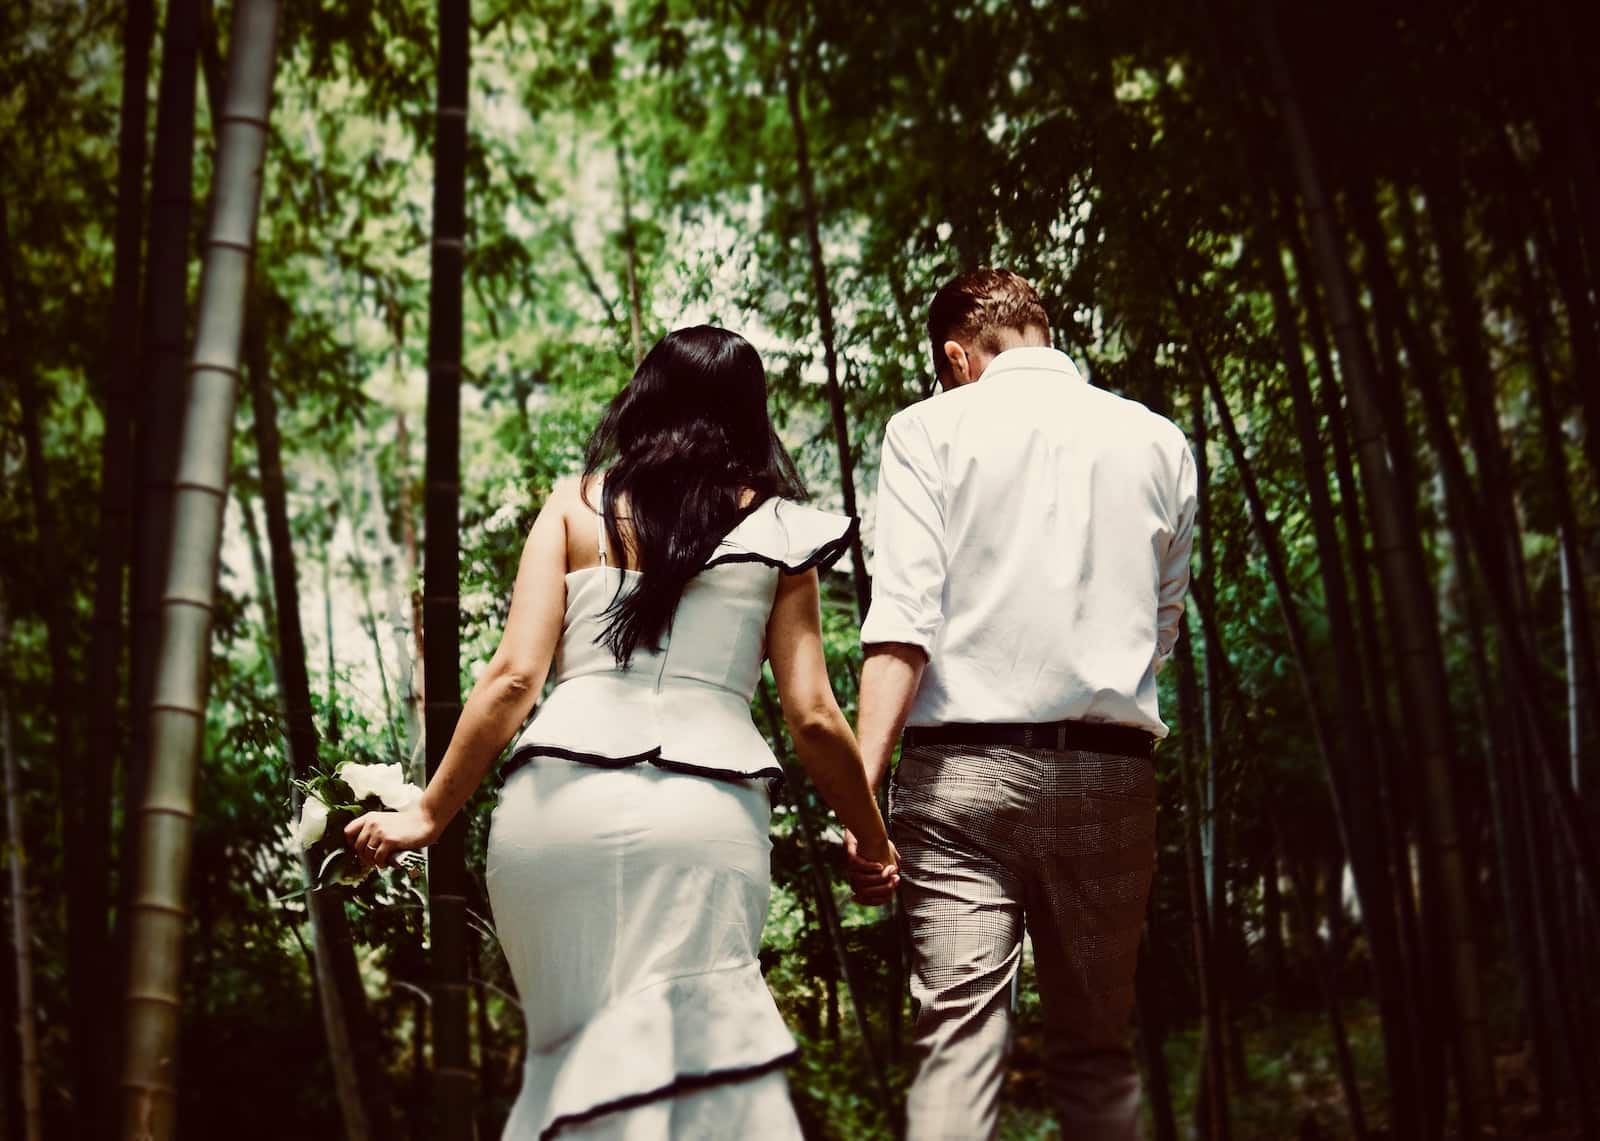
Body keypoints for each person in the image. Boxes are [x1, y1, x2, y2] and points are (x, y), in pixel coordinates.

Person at [344, 326, 900, 1140]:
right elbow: (813, 717)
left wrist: (428, 813)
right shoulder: (782, 533)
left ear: (646, 397)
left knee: (574, 1073)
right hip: (702, 823)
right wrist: (873, 838)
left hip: (553, 819)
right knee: (702, 1085)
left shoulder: (575, 505)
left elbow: (511, 679)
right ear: (751, 414)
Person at [846, 269, 1196, 1140]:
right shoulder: (1158, 441)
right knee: (1098, 1052)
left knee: (958, 1047)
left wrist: (858, 799)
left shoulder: (926, 429)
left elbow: (902, 626)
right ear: (1043, 331)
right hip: (1111, 777)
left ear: (956, 357)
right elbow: (1161, 627)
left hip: (959, 780)